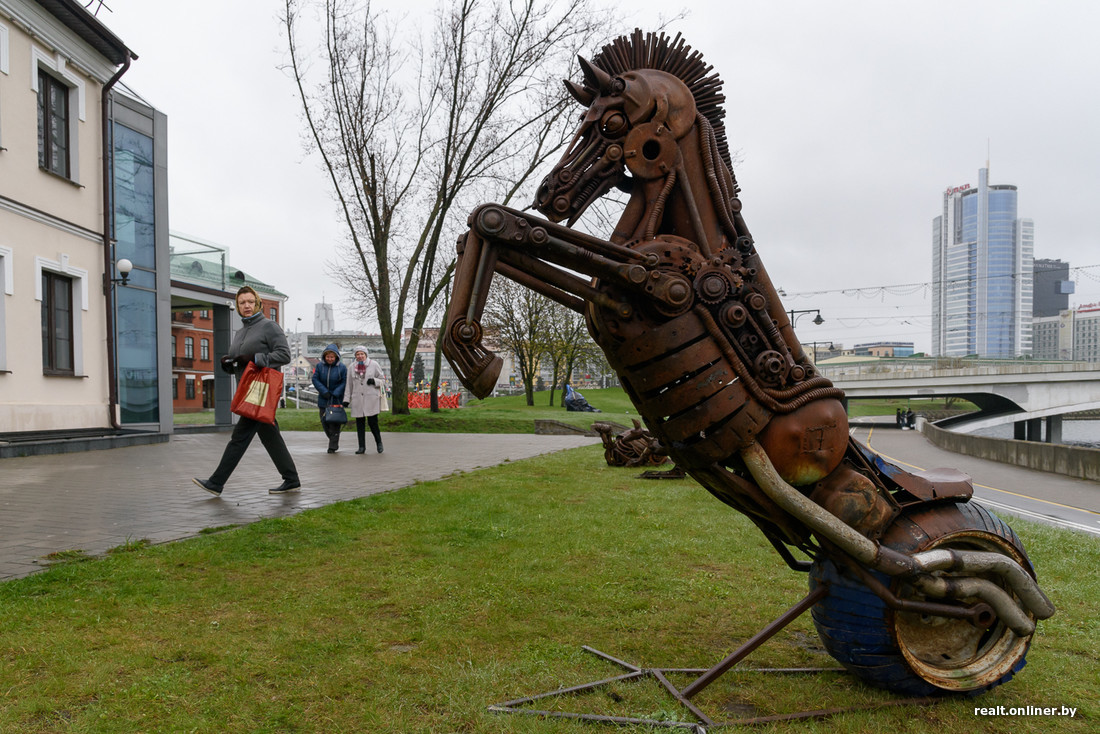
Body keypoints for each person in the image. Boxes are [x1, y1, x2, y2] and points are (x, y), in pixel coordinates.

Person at [192, 286, 300, 496]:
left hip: (260, 390)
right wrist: (229, 363)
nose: (247, 306)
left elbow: (284, 355)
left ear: (258, 303)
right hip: (247, 388)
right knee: (270, 436)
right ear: (238, 307)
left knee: (239, 437)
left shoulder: (269, 326)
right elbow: (241, 362)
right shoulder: (241, 331)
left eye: (250, 301)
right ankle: (292, 479)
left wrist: (256, 359)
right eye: (242, 303)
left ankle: (216, 482)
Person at [345, 345, 386, 454]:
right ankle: (361, 447)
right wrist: (346, 399)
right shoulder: (351, 367)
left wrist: (374, 381)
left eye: (362, 354)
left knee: (373, 423)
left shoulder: (374, 364)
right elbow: (348, 384)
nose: (360, 356)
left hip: (371, 398)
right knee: (360, 424)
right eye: (357, 354)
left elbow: (383, 380)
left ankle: (379, 443)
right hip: (358, 399)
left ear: (366, 355)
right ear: (355, 356)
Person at [312, 343, 348, 453]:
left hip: (336, 399)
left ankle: (333, 446)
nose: (330, 359)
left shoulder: (342, 368)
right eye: (328, 357)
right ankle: (333, 438)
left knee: (335, 423)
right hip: (324, 398)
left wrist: (336, 392)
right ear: (324, 356)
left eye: (332, 357)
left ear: (336, 357)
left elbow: (344, 381)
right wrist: (324, 391)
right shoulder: (319, 366)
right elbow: (315, 379)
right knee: (325, 422)